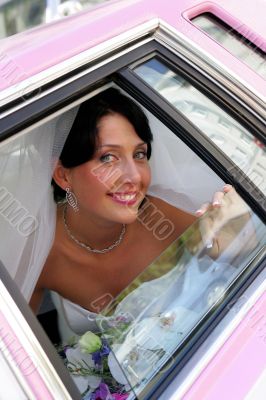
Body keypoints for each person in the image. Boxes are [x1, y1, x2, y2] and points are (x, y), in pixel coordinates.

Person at [29, 88, 239, 336]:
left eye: (139, 154)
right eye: (108, 158)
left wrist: (232, 237)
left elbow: (238, 267)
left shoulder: (167, 216)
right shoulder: (38, 251)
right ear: (64, 175)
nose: (135, 176)